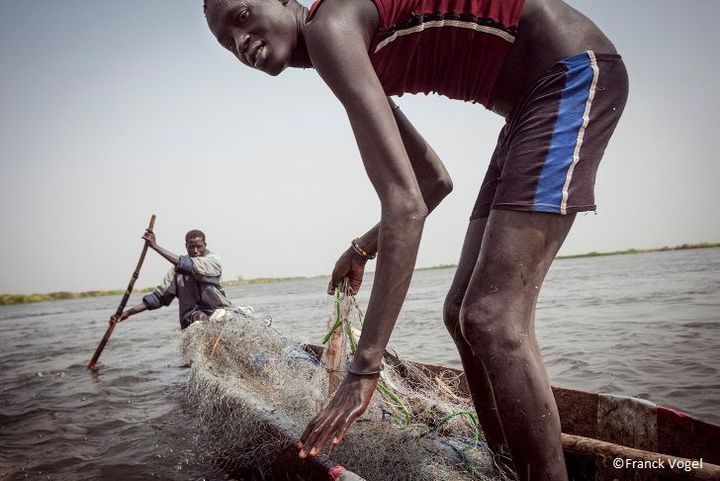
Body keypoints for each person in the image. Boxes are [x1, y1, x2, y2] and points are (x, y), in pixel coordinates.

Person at [203, 0, 628, 478]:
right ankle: (508, 468)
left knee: (492, 317)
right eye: (226, 42)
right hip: (531, 106)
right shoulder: (343, 46)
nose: (240, 43)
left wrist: (363, 371)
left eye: (242, 17)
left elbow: (405, 206)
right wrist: (362, 246)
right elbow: (431, 183)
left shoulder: (331, 28)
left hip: (571, 75)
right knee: (461, 314)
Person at [111, 229, 234, 330]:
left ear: (205, 246)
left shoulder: (213, 260)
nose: (195, 251)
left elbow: (190, 266)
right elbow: (158, 298)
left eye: (199, 247)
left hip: (217, 311)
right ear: (186, 246)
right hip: (191, 318)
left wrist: (155, 246)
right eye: (191, 247)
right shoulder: (176, 272)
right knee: (200, 317)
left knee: (222, 318)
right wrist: (127, 313)